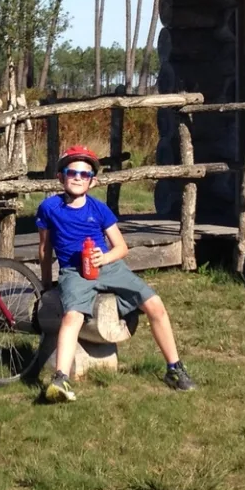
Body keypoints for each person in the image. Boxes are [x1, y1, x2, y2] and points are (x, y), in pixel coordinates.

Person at [34, 144, 195, 403]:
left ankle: (174, 368)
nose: (77, 177)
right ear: (61, 177)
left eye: (84, 174)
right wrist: (45, 285)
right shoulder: (49, 208)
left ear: (93, 181)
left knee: (155, 304)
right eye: (72, 172)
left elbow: (121, 247)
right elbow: (45, 248)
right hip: (74, 272)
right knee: (72, 317)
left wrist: (104, 257)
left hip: (108, 266)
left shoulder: (99, 209)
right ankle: (60, 378)